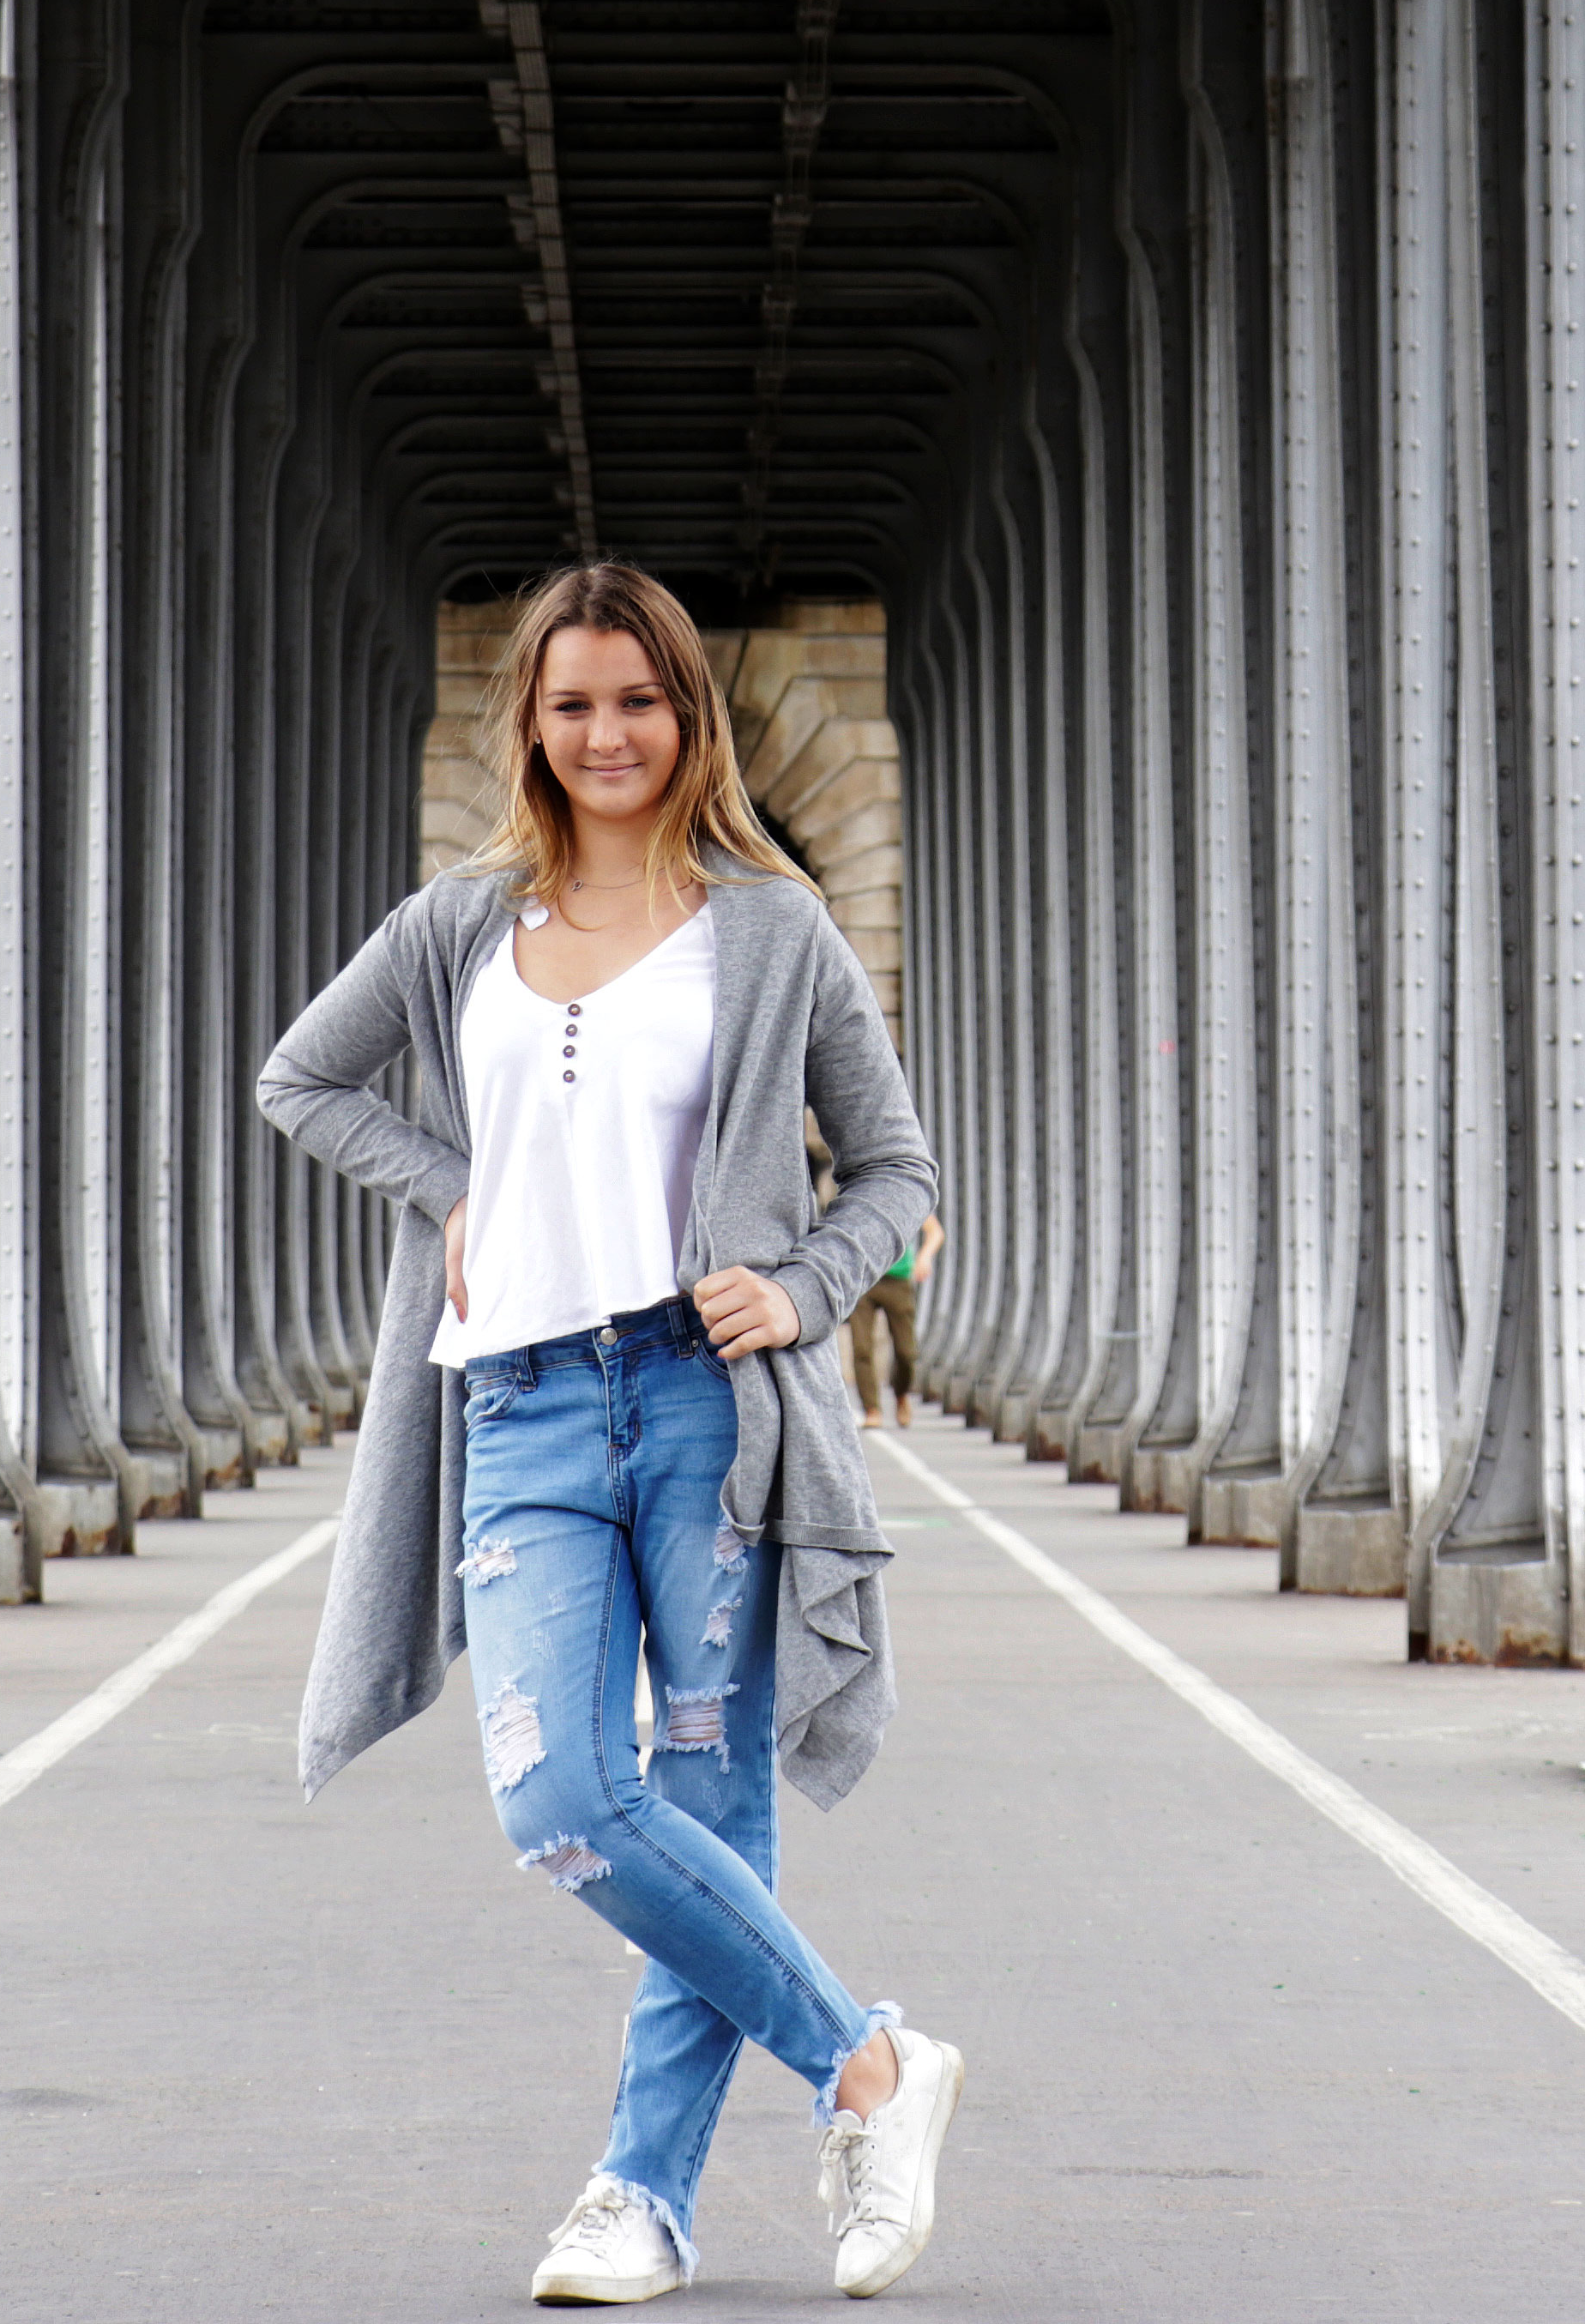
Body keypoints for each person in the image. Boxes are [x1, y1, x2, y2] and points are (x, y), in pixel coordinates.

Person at [259, 560, 963, 2307]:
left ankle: (638, 2199)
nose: (605, 733)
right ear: (530, 720)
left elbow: (895, 1171)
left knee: (710, 1800)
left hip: (705, 1407)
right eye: (571, 702)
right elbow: (300, 1078)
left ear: (686, 712)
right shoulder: (455, 923)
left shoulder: (771, 927)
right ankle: (868, 2064)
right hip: (518, 1403)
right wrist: (450, 1186)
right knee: (560, 1796)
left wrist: (800, 1286)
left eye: (636, 699)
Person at [850, 1210, 941, 1431]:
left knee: (906, 1352)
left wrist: (925, 1256)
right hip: (864, 1279)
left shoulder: (902, 1193)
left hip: (898, 1281)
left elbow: (935, 1232)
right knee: (862, 1348)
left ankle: (901, 1394)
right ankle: (872, 1410)